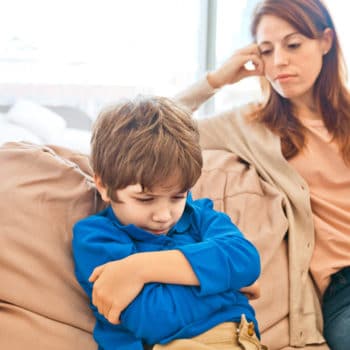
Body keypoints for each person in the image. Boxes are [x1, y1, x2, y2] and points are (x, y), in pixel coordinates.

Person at [175, 0, 350, 349]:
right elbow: (151, 125)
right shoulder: (252, 126)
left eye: (293, 44)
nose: (280, 61)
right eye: (267, 51)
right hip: (343, 290)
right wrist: (217, 79)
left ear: (326, 42)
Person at [72, 95, 266, 350]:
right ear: (104, 186)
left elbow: (246, 260)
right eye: (146, 199)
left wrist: (140, 268)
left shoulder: (199, 215)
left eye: (177, 196)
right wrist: (229, 287)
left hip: (239, 340)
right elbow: (154, 318)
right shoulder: (97, 238)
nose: (164, 215)